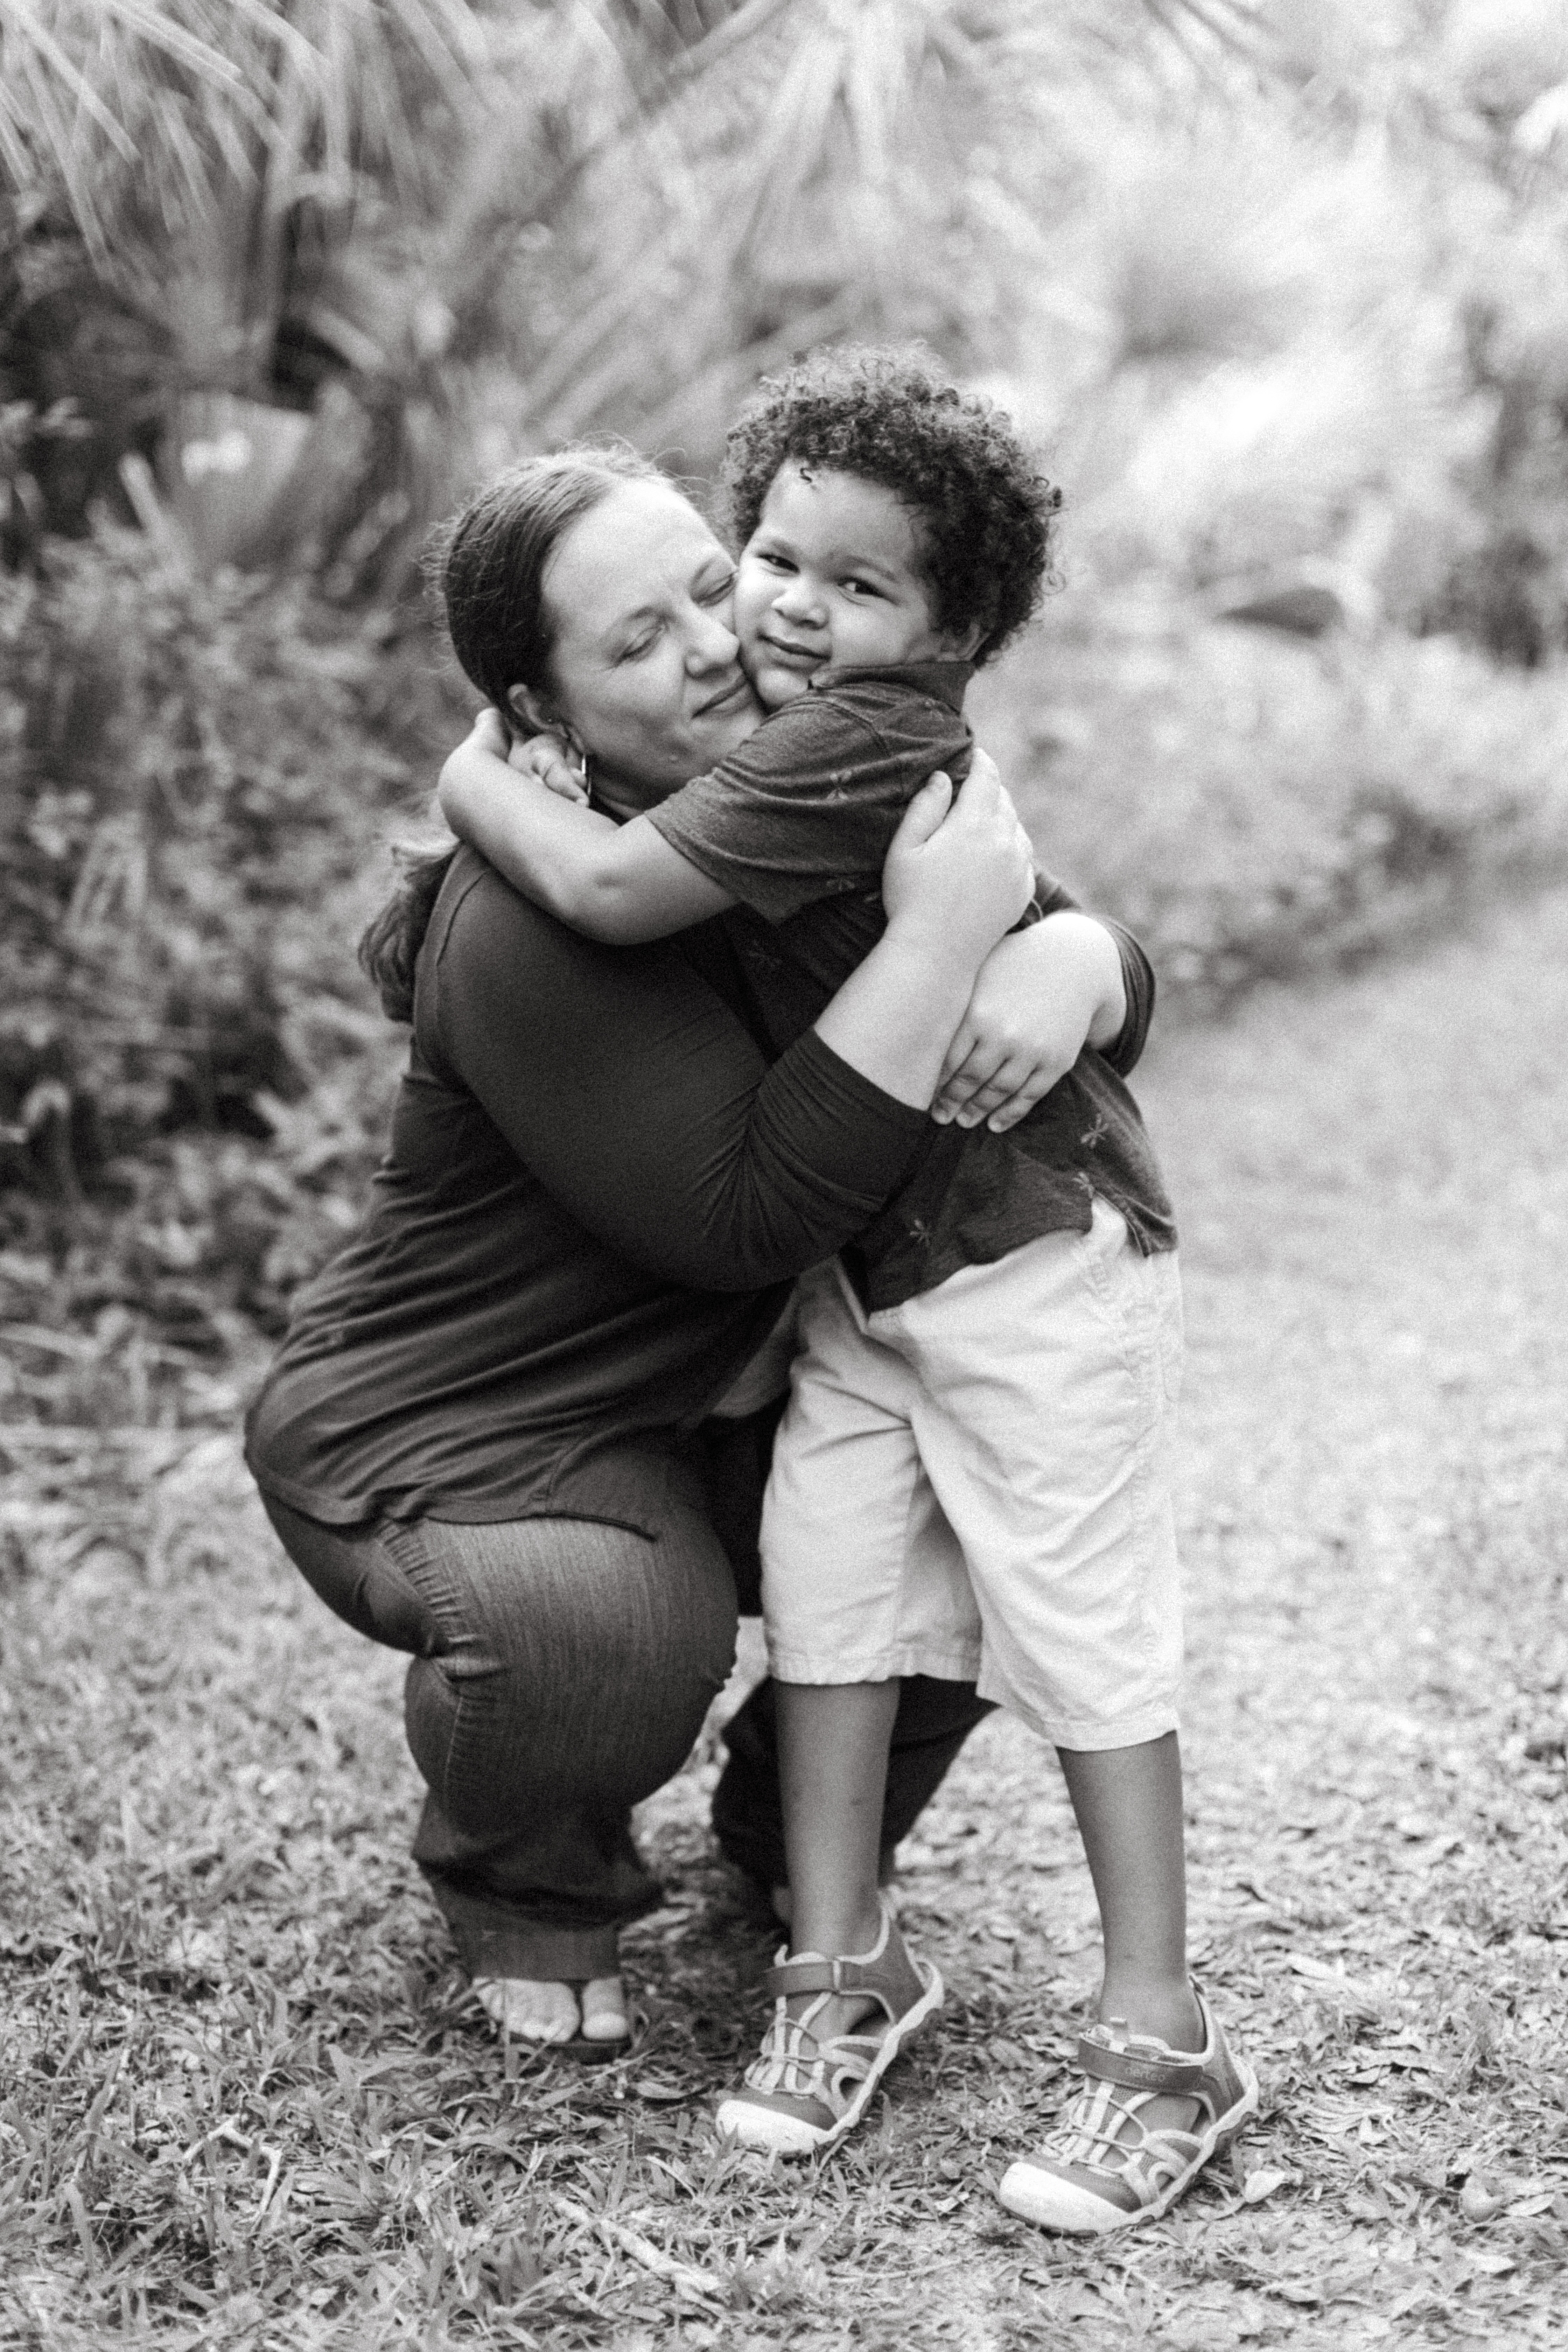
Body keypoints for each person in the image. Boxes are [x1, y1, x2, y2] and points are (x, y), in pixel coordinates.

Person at [436, 349, 1256, 2232]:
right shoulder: (804, 735)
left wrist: (474, 778)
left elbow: (632, 893)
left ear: (955, 631)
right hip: (869, 1283)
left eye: (854, 584)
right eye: (771, 556)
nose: (785, 608)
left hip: (1024, 1264)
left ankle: (1165, 2035)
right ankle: (837, 1965)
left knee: (1083, 1639)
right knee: (831, 1617)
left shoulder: (859, 738)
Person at [242, 439, 1123, 2067]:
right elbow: (746, 1221)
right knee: (599, 1640)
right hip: (469, 1427)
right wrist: (940, 938)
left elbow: (1040, 906)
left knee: (987, 1474)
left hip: (703, 1407)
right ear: (545, 713)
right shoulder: (527, 919)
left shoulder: (811, 771)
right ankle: (525, 1876)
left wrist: (1076, 958)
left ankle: (797, 1844)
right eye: (636, 641)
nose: (717, 643)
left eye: (709, 588)